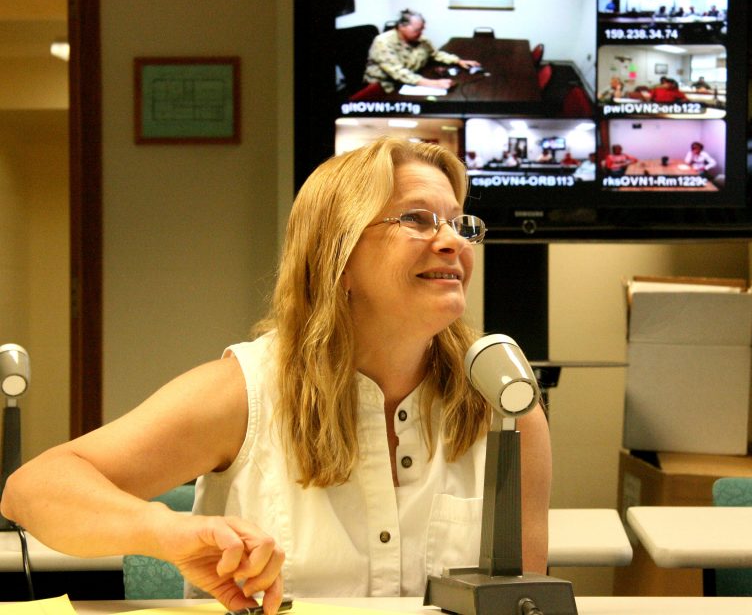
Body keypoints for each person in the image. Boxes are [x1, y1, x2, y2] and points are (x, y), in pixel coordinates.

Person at [1, 138, 551, 612]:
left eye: (460, 224)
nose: (453, 241)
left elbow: (526, 603)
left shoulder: (503, 399)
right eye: (417, 219)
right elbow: (32, 491)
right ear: (337, 256)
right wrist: (168, 534)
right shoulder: (248, 389)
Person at [361, 9, 480, 94]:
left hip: (409, 81)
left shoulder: (420, 39)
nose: (421, 33)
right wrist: (434, 84)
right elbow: (398, 72)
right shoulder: (383, 42)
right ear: (402, 27)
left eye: (422, 29)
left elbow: (435, 54)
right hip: (385, 89)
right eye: (417, 30)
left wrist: (459, 61)